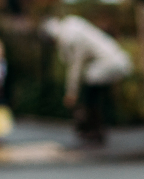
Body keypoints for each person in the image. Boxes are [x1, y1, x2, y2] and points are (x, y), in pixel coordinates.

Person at [41, 16, 132, 147]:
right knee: (93, 93)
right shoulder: (71, 27)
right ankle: (96, 129)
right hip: (109, 63)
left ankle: (94, 129)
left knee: (90, 92)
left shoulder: (71, 38)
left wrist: (71, 92)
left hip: (110, 64)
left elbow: (76, 67)